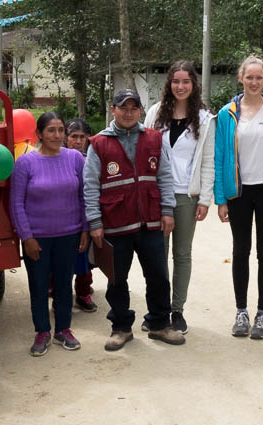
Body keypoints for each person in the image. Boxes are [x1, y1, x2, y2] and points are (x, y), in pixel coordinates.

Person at [83, 88, 185, 351]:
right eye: (123, 108)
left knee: (159, 276)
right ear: (113, 109)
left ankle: (159, 324)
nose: (128, 113)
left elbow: (164, 177)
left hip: (150, 221)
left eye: (133, 108)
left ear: (140, 110)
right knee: (117, 279)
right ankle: (121, 327)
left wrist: (167, 210)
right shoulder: (98, 143)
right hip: (115, 224)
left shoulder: (154, 138)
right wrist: (95, 222)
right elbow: (90, 185)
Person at [213, 55, 263, 340]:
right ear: (241, 78)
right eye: (250, 77)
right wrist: (221, 198)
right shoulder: (227, 113)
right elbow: (220, 155)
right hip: (239, 192)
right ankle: (241, 311)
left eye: (259, 77)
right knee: (240, 250)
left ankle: (262, 313)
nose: (255, 82)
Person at [144, 60, 216, 334]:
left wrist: (205, 199)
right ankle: (157, 310)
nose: (181, 86)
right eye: (176, 81)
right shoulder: (155, 113)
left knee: (182, 254)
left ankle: (177, 310)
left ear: (193, 84)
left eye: (186, 81)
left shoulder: (206, 119)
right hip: (158, 195)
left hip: (187, 195)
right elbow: (146, 153)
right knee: (156, 254)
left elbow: (208, 161)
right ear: (169, 84)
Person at [10, 111, 89, 356]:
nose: (57, 135)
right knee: (39, 286)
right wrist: (27, 237)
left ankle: (63, 330)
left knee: (65, 285)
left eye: (60, 130)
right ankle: (42, 331)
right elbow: (16, 203)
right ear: (39, 134)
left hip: (69, 234)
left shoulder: (75, 158)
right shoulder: (25, 162)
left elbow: (85, 195)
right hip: (38, 238)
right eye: (51, 130)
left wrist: (85, 228)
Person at [64, 118, 97, 312]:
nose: (78, 141)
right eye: (73, 136)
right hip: (62, 218)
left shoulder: (93, 158)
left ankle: (83, 292)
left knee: (85, 258)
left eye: (82, 137)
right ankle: (58, 291)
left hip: (86, 216)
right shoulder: (56, 157)